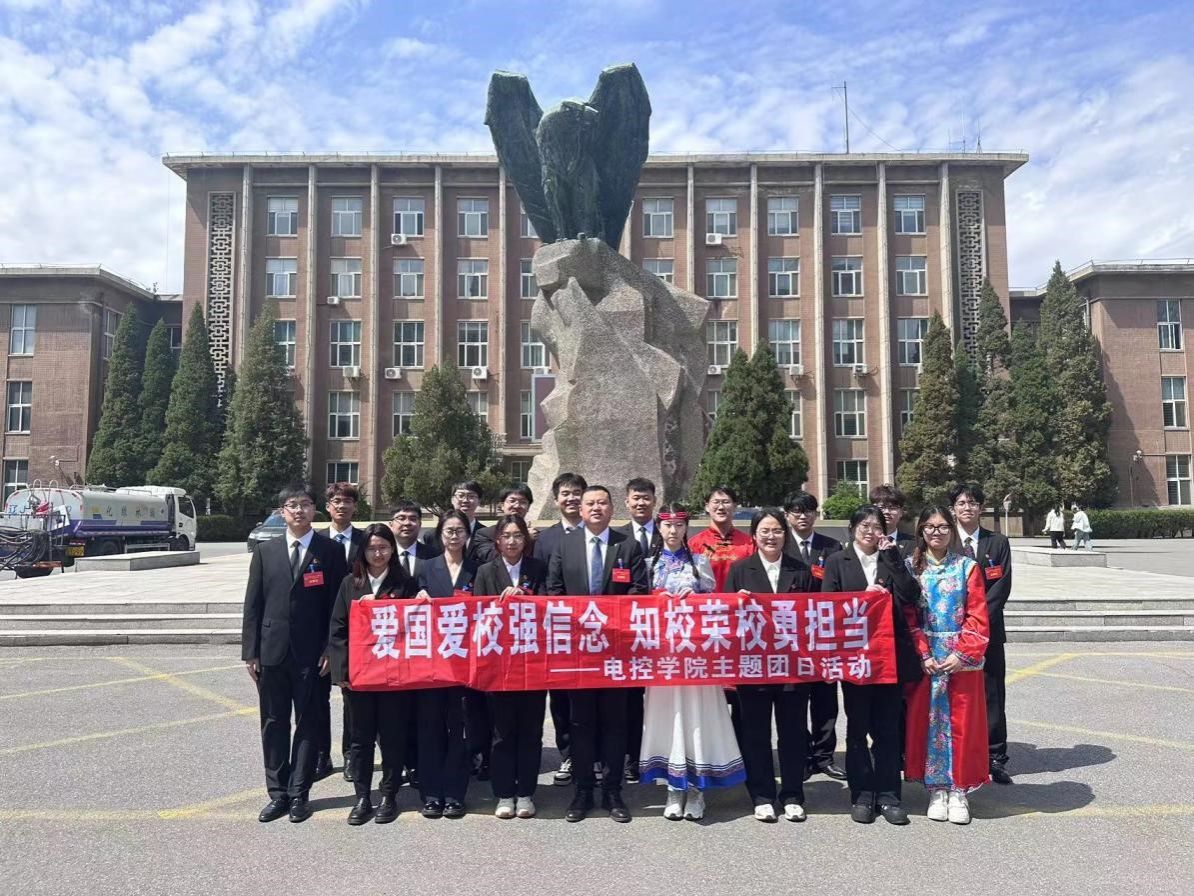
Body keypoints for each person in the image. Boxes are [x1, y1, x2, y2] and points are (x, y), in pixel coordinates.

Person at [242, 485, 347, 824]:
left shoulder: (330, 551)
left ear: (315, 510)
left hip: (313, 655)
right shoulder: (266, 551)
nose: (299, 510)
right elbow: (253, 603)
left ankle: (300, 793)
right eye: (292, 505)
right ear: (282, 511)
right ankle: (278, 793)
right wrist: (250, 652)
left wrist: (331, 648)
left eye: (305, 504)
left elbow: (338, 605)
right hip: (271, 652)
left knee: (308, 723)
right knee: (273, 723)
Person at [546, 485, 649, 822]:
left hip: (616, 652)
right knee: (581, 723)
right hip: (579, 654)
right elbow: (554, 592)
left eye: (602, 503)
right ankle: (583, 791)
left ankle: (613, 791)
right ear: (581, 509)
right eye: (589, 503)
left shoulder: (627, 545)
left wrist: (610, 623)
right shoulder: (566, 545)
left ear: (611, 508)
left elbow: (638, 591)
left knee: (615, 724)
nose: (595, 508)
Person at [639, 503, 745, 821]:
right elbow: (635, 606)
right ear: (659, 527)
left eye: (679, 525)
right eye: (667, 525)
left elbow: (715, 606)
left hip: (697, 658)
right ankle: (673, 787)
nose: (673, 530)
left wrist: (697, 598)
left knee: (698, 718)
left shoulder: (699, 563)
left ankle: (698, 789)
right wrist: (656, 599)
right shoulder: (647, 564)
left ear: (686, 528)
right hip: (663, 657)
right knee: (667, 719)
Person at [821, 504, 922, 826]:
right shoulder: (837, 561)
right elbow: (828, 607)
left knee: (888, 730)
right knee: (857, 728)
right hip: (855, 659)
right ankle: (862, 794)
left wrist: (892, 560)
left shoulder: (893, 556)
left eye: (876, 526)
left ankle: (890, 795)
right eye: (863, 525)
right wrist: (861, 599)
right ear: (853, 529)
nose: (870, 531)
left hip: (890, 657)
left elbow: (911, 595)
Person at [725, 509, 817, 823]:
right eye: (764, 531)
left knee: (792, 733)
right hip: (753, 666)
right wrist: (736, 604)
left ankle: (792, 794)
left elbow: (814, 616)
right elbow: (726, 620)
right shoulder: (740, 570)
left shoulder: (800, 570)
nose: (771, 536)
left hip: (792, 667)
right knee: (756, 733)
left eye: (777, 530)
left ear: (785, 534)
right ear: (754, 535)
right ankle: (762, 795)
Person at [904, 506, 991, 825]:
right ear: (921, 531)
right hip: (927, 661)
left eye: (942, 526)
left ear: (952, 530)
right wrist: (923, 653)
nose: (936, 532)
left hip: (960, 662)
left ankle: (959, 790)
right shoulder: (911, 568)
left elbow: (977, 615)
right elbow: (908, 616)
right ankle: (936, 789)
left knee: (962, 725)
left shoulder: (967, 567)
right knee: (928, 724)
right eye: (929, 526)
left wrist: (962, 654)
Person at [326, 524, 417, 825]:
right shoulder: (350, 583)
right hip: (360, 678)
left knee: (392, 737)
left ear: (393, 550)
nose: (378, 554)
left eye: (384, 547)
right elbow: (337, 630)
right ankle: (362, 797)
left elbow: (415, 626)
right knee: (360, 740)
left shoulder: (406, 583)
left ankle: (389, 794)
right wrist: (342, 672)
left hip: (394, 677)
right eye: (372, 548)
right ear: (362, 551)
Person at [473, 514, 550, 819]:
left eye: (518, 535)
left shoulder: (538, 568)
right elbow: (477, 614)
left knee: (530, 732)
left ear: (526, 539)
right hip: (500, 665)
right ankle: (504, 793)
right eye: (506, 535)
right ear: (497, 541)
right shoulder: (485, 571)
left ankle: (526, 793)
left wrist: (526, 598)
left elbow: (552, 605)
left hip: (533, 663)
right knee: (502, 733)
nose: (512, 541)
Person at [413, 510, 478, 819]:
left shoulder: (479, 570)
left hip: (466, 663)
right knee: (430, 728)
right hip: (432, 663)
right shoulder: (426, 568)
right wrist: (418, 596)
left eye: (459, 530)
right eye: (449, 530)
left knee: (459, 730)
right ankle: (431, 794)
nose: (454, 535)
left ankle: (454, 794)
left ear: (467, 534)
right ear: (440, 535)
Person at [949, 483, 1015, 785]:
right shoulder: (944, 540)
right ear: (953, 509)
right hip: (950, 634)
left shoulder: (997, 542)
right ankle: (955, 754)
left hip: (988, 633)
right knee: (954, 695)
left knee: (992, 694)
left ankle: (995, 757)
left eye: (973, 503)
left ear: (981, 508)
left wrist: (976, 623)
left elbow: (1001, 587)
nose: (967, 508)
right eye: (962, 503)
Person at [784, 491, 846, 783]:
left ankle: (824, 757)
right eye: (796, 511)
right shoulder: (779, 545)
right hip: (789, 638)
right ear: (787, 515)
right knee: (795, 701)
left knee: (825, 700)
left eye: (808, 510)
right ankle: (803, 755)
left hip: (824, 635)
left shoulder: (831, 547)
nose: (802, 516)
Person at [533, 471, 588, 785]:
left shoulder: (598, 533)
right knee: (561, 696)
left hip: (593, 631)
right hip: (558, 631)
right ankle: (568, 754)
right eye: (565, 493)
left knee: (593, 695)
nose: (571, 498)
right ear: (556, 500)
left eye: (576, 492)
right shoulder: (545, 539)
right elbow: (540, 582)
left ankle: (593, 755)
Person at [615, 476, 661, 785]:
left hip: (664, 630)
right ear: (627, 502)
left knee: (661, 697)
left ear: (654, 501)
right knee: (630, 699)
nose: (641, 502)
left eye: (646, 497)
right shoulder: (617, 539)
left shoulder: (669, 532)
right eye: (636, 498)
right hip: (628, 631)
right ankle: (632, 757)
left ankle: (661, 755)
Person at [321, 481, 366, 783]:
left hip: (357, 632)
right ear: (328, 507)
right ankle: (321, 755)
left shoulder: (366, 541)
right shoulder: (317, 541)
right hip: (320, 629)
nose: (342, 505)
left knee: (353, 698)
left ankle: (351, 754)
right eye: (336, 501)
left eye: (347, 501)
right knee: (317, 699)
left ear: (354, 507)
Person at [689, 485, 755, 591]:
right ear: (707, 506)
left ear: (735, 506)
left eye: (726, 502)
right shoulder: (695, 544)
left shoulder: (749, 543)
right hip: (707, 600)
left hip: (739, 600)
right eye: (716, 502)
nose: (721, 507)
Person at [474, 484, 537, 564]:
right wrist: (526, 539)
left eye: (523, 502)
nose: (517, 506)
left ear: (528, 507)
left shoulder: (537, 536)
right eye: (512, 501)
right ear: (502, 505)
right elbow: (490, 558)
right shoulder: (485, 534)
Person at [421, 480, 486, 553]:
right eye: (461, 496)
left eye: (471, 496)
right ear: (452, 500)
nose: (465, 500)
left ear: (479, 501)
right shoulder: (432, 536)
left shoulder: (488, 535)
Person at [870, 483, 914, 558]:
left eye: (892, 507)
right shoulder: (865, 541)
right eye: (882, 507)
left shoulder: (913, 543)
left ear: (901, 512)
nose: (887, 512)